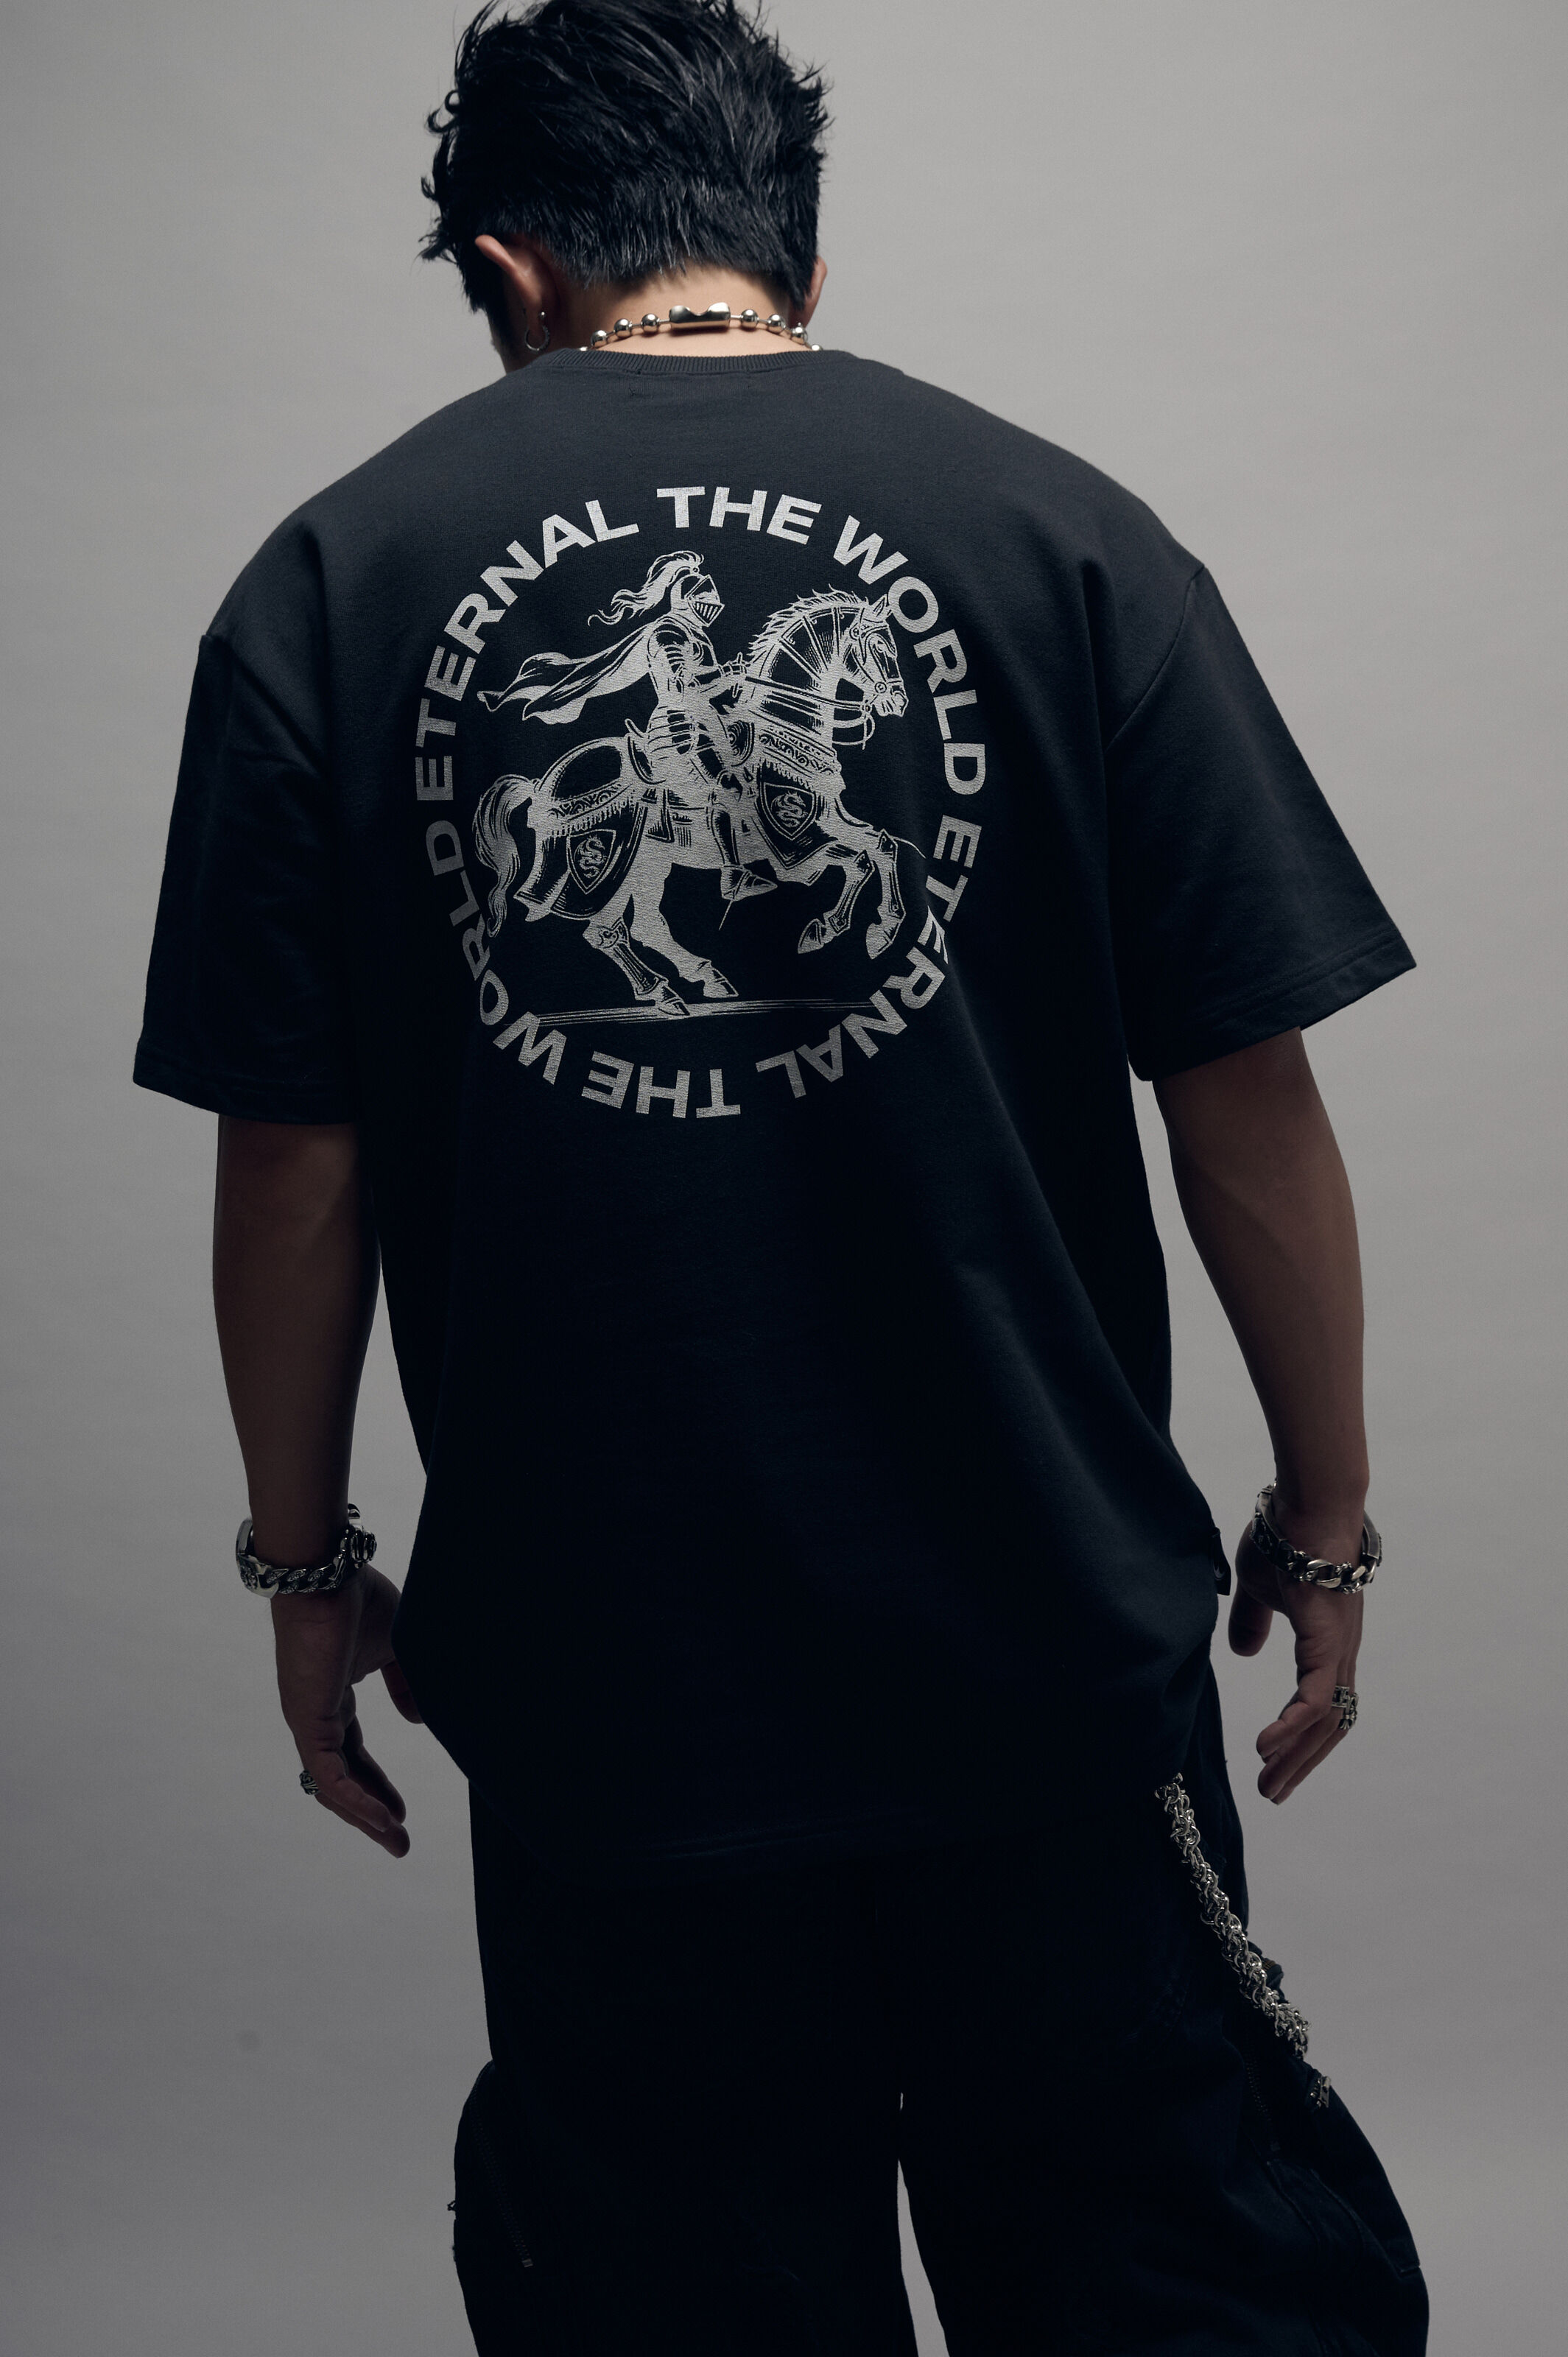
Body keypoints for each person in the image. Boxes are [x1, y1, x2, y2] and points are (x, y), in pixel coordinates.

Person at [134, 2, 1430, 2349]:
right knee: (1167, 2282)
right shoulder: (1067, 535)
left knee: (676, 2301)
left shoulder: (332, 576)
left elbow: (295, 1166)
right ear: (800, 258)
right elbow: (1244, 1095)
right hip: (1042, 1643)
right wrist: (1321, 1516)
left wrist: (306, 1567)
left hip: (606, 1684)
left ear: (511, 271)